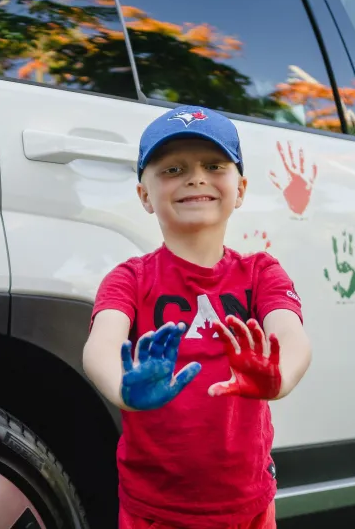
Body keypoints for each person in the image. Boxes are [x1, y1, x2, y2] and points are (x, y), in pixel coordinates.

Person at [82, 105, 313, 529]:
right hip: (153, 509)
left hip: (249, 506)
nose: (196, 177)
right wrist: (122, 390)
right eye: (173, 169)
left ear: (240, 189)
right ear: (144, 196)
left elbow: (292, 337)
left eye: (213, 165)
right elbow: (100, 345)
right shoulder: (129, 279)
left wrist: (279, 377)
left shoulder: (262, 272)